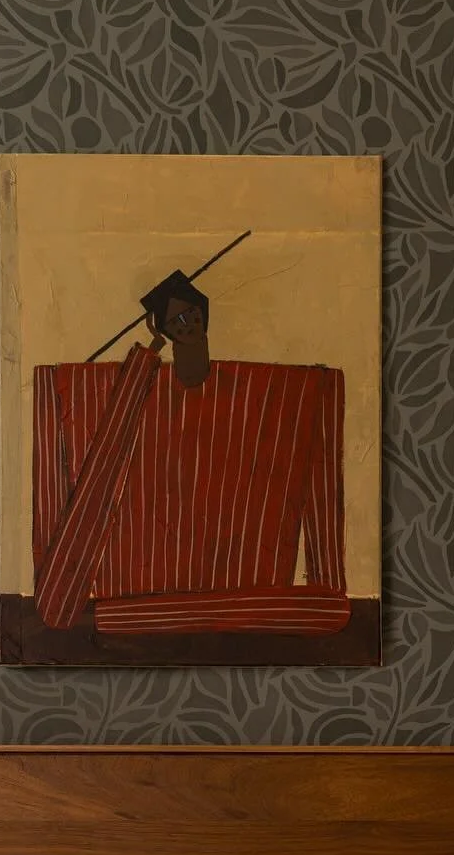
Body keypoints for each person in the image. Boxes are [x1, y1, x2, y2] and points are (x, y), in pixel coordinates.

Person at [31, 268, 348, 635]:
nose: (188, 324)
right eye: (176, 320)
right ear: (164, 329)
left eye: (193, 314)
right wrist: (148, 354)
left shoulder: (261, 392)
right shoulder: (135, 383)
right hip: (122, 610)